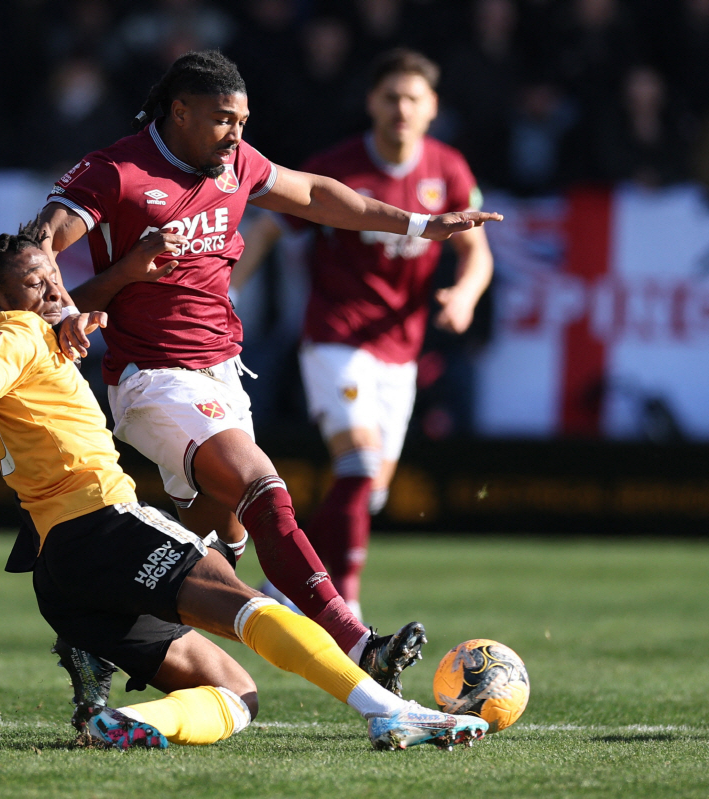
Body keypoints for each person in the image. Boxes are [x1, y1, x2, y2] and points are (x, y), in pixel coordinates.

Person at [0, 228, 488, 751]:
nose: (55, 291)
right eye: (37, 283)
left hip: (60, 573)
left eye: (56, 277)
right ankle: (387, 711)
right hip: (104, 525)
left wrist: (102, 290)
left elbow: (16, 358)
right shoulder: (12, 332)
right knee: (256, 610)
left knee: (235, 694)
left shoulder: (39, 335)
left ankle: (120, 721)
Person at [35, 51, 500, 683]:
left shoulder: (234, 163)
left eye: (244, 121)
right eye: (225, 120)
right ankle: (360, 643)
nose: (238, 136)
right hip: (153, 379)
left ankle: (98, 630)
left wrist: (419, 223)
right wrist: (80, 302)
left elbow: (311, 193)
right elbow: (36, 250)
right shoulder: (115, 171)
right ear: (180, 111)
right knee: (265, 487)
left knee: (219, 550)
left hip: (225, 374)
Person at [231, 49, 494, 621]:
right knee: (357, 468)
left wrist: (465, 296)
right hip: (336, 338)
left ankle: (284, 586)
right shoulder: (340, 168)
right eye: (391, 96)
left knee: (370, 491)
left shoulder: (447, 170)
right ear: (373, 103)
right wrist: (228, 288)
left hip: (400, 351)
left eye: (413, 98)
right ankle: (342, 605)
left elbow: (477, 252)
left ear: (432, 109)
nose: (401, 107)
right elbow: (271, 225)